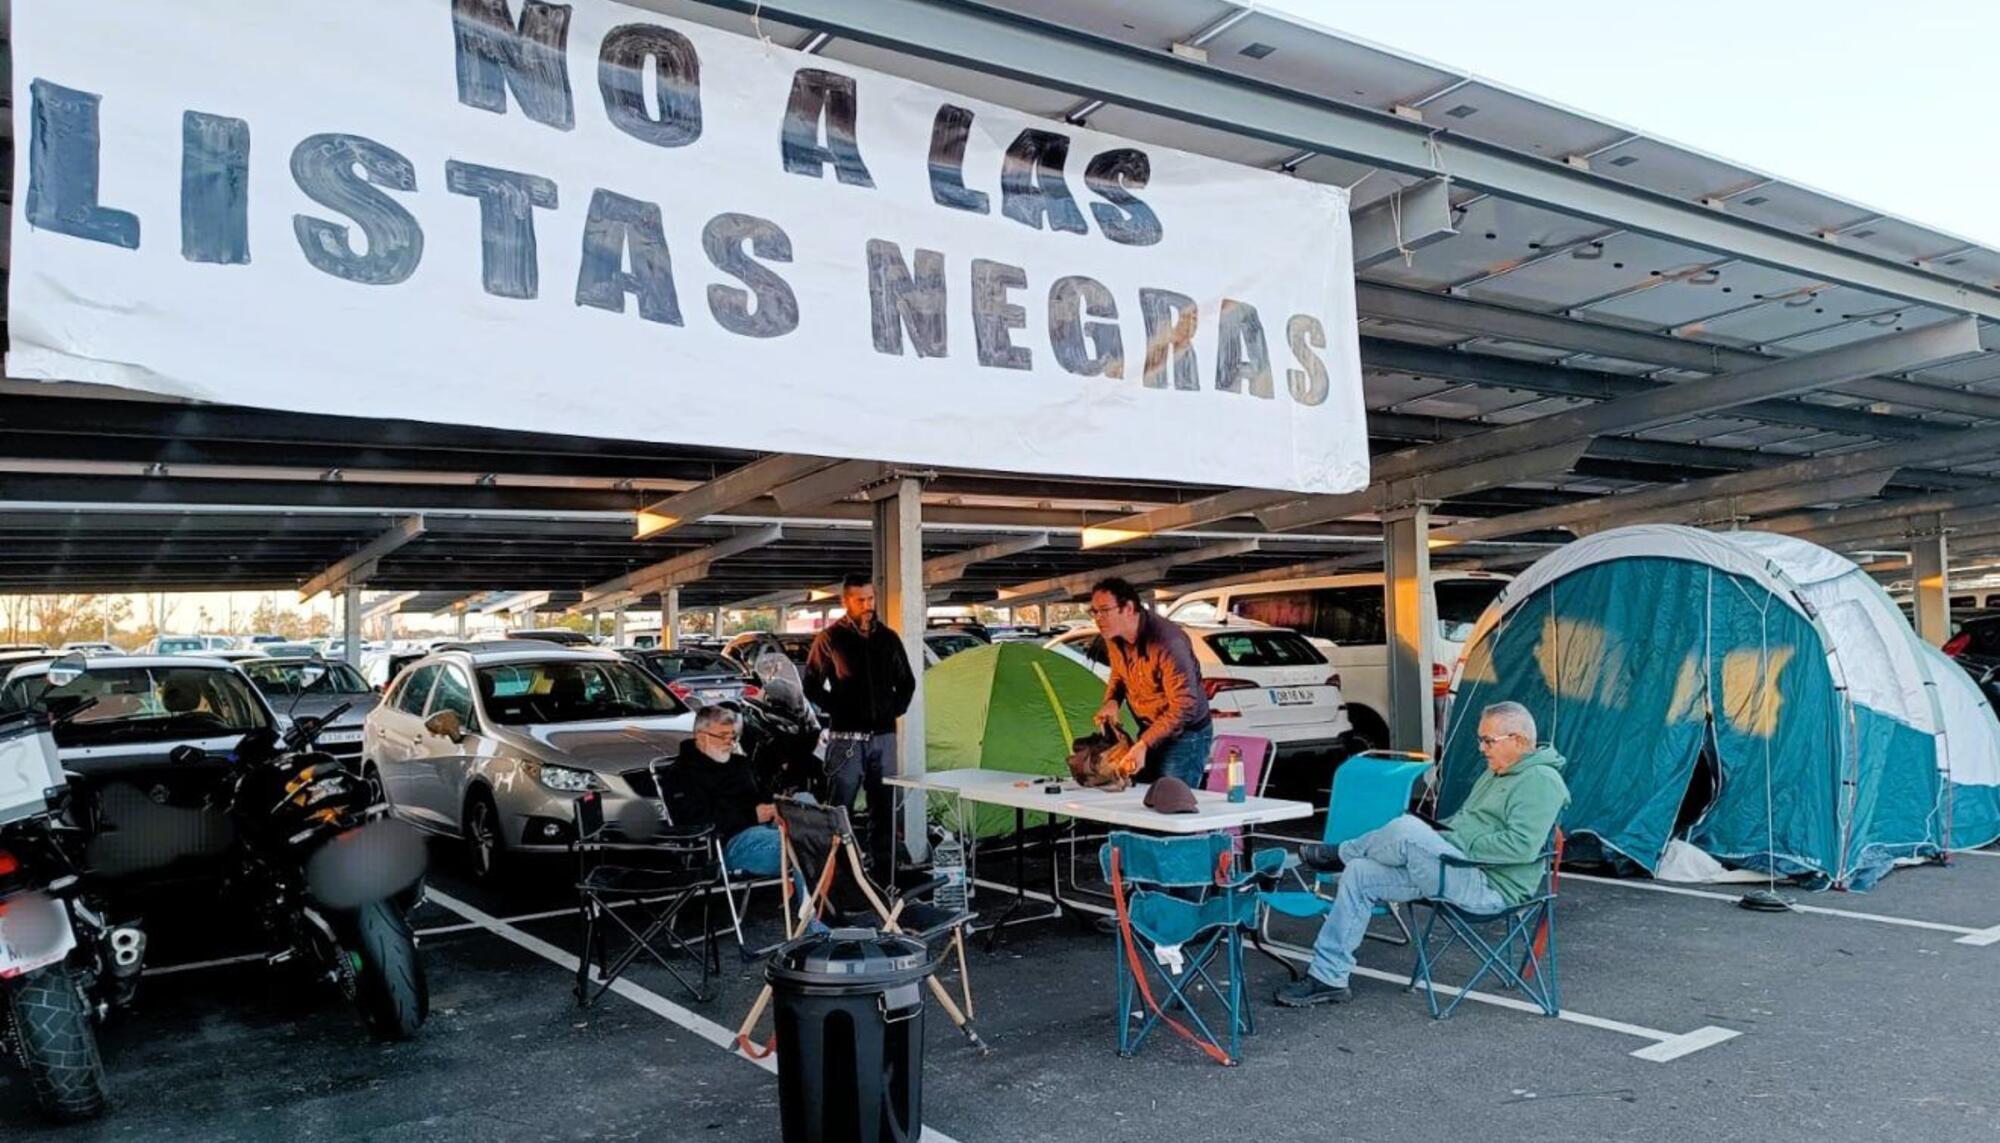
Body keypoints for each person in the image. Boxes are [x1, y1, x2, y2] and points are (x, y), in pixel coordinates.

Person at [1274, 701, 1569, 1008]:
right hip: (1457, 870)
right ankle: (1328, 978)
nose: (1481, 748)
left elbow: (1520, 846)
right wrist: (1442, 835)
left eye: (1488, 740)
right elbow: (1464, 824)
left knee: (1406, 830)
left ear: (1518, 740)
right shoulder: (1495, 773)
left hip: (1492, 888)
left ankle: (1341, 852)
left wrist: (1450, 840)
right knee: (1360, 872)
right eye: (1480, 739)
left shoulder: (1541, 781)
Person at [804, 573, 916, 876]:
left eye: (870, 598)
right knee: (840, 806)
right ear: (846, 601)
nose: (867, 605)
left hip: (884, 736)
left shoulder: (888, 638)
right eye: (860, 600)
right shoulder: (830, 638)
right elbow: (811, 685)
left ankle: (885, 867)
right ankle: (838, 871)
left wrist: (892, 711)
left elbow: (906, 682)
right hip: (845, 738)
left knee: (886, 804)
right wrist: (839, 709)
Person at [668, 704, 818, 923]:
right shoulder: (682, 774)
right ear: (701, 737)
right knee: (808, 841)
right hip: (728, 844)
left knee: (806, 803)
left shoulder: (739, 763)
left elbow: (763, 795)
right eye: (723, 736)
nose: (730, 743)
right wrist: (752, 815)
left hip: (764, 828)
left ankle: (823, 902)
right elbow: (697, 822)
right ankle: (818, 921)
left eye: (733, 737)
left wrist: (777, 808)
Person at [1090, 576, 1211, 789]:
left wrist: (1144, 743)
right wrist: (1112, 701)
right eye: (1094, 612)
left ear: (1128, 608)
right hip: (1150, 730)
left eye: (1104, 611)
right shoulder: (1113, 635)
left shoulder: (1169, 642)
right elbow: (1119, 672)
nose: (1098, 618)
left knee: (1171, 804)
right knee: (1139, 802)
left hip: (1185, 734)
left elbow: (1184, 706)